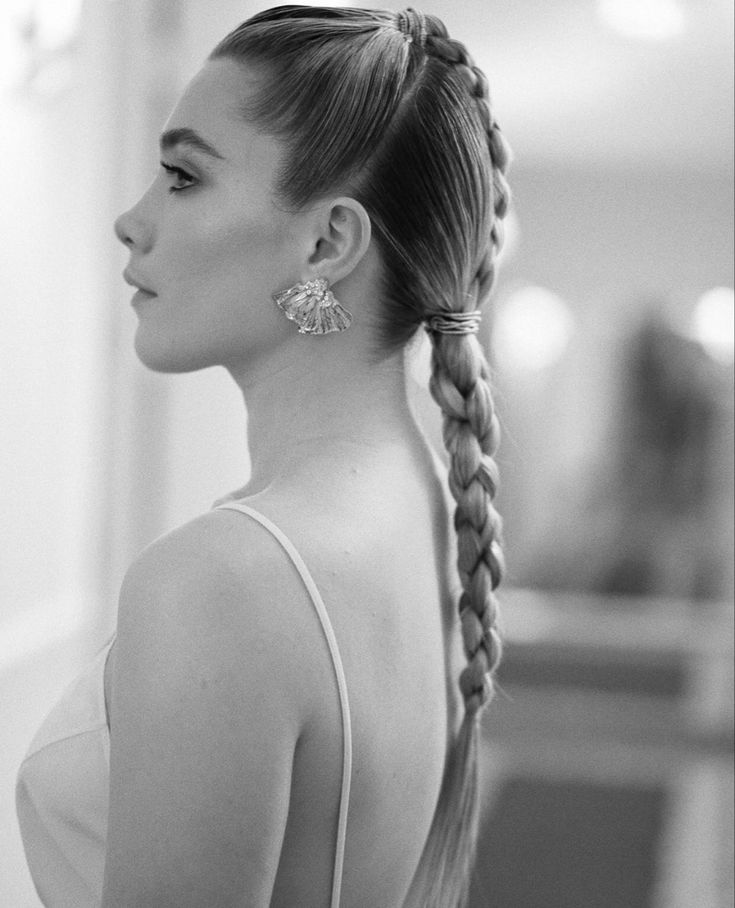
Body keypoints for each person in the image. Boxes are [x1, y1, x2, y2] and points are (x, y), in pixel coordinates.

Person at [16, 6, 511, 906]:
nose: (130, 221)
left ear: (324, 244)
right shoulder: (428, 505)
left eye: (180, 176)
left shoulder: (221, 581)